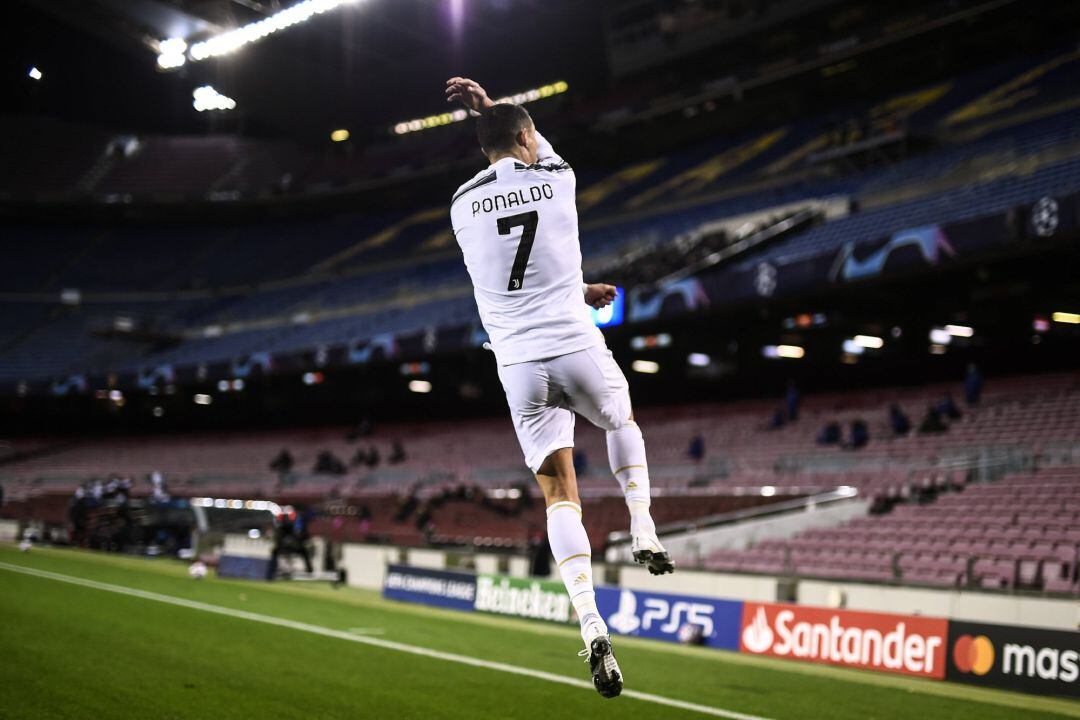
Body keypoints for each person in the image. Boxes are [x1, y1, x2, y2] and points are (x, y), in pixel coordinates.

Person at [446, 76, 672, 698]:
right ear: (525, 137)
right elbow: (534, 167)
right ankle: (643, 526)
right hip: (575, 346)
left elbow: (512, 279)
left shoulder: (461, 205)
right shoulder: (558, 177)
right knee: (621, 422)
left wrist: (576, 288)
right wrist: (495, 110)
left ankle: (592, 627)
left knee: (558, 495)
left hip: (519, 367)